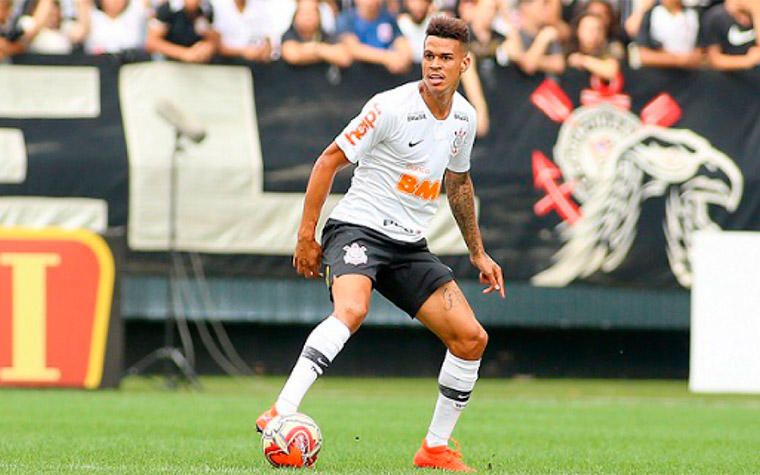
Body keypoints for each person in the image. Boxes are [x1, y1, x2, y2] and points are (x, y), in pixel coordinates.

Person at [255, 15, 504, 473]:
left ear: (464, 64)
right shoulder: (389, 106)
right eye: (429, 55)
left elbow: (459, 184)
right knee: (352, 310)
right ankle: (281, 410)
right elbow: (327, 162)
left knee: (471, 339)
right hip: (358, 229)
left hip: (408, 246)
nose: (434, 65)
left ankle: (434, 449)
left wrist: (478, 252)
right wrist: (306, 236)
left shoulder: (464, 119)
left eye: (445, 58)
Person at [335, 0, 413, 74]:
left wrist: (402, 59)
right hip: (357, 76)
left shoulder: (387, 18)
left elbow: (401, 41)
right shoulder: (346, 19)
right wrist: (388, 58)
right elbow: (353, 48)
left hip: (386, 77)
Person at [499, 0, 566, 75]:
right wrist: (542, 40)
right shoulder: (515, 34)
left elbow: (559, 65)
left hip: (549, 84)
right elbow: (528, 66)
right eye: (543, 5)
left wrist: (530, 59)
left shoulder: (547, 30)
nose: (548, 10)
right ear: (526, 8)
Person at [631, 0, 703, 69]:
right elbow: (643, 55)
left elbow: (700, 54)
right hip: (657, 74)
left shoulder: (694, 14)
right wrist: (679, 60)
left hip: (690, 75)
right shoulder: (651, 14)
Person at [280, 0, 351, 67]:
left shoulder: (324, 35)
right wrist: (325, 52)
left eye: (312, 12)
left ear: (319, 15)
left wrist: (314, 49)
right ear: (295, 16)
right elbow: (292, 55)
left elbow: (344, 58)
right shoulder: (290, 34)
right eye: (304, 13)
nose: (308, 17)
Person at [145, 0, 218, 63]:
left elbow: (213, 39)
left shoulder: (206, 9)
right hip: (168, 62)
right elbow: (152, 42)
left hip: (196, 65)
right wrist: (184, 53)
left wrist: (206, 48)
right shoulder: (168, 8)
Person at [702, 0, 760, 70]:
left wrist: (756, 12)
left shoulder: (756, 15)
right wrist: (746, 60)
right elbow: (713, 59)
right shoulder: (716, 17)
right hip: (729, 76)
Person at [567, 11, 620, 79]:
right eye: (587, 28)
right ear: (578, 30)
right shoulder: (568, 49)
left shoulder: (607, 51)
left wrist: (582, 60)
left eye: (597, 29)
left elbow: (611, 71)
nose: (593, 33)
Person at [84, 0, 148, 54]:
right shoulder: (91, 15)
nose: (116, 1)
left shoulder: (134, 13)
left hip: (131, 62)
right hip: (97, 63)